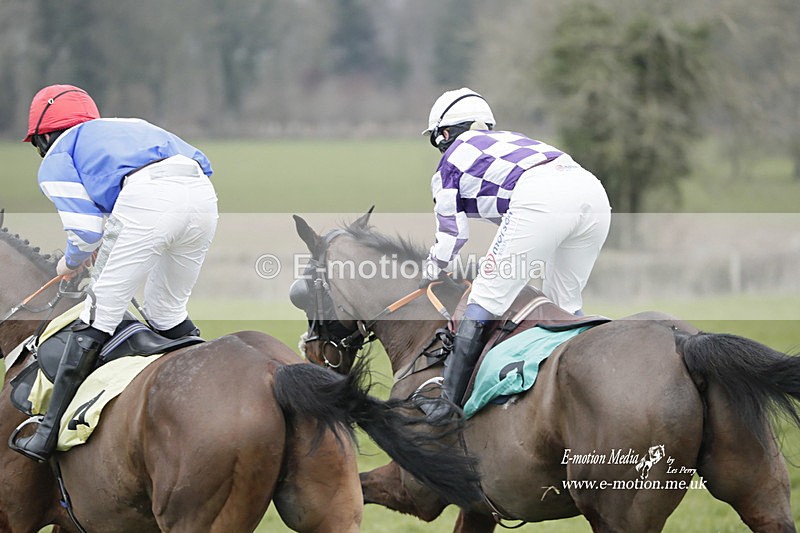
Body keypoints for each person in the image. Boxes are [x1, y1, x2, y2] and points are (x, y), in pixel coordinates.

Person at [14, 84, 218, 462]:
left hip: (148, 201)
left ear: (44, 135)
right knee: (166, 312)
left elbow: (86, 232)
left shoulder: (58, 155)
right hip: (202, 198)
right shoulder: (124, 128)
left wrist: (71, 261)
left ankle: (46, 433)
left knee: (99, 314)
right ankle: (217, 392)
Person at [420, 87, 611, 408]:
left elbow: (452, 236)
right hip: (592, 192)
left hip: (543, 196)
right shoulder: (512, 141)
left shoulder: (449, 164)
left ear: (444, 133)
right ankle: (589, 388)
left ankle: (445, 407)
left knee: (485, 297)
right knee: (564, 305)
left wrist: (427, 273)